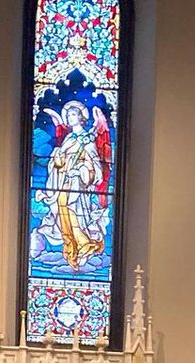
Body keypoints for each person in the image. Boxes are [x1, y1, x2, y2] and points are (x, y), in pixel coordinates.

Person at [34, 101, 111, 270]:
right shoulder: (69, 139)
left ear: (82, 118)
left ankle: (85, 246)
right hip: (63, 183)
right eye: (68, 115)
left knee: (77, 215)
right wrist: (57, 159)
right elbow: (58, 163)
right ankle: (70, 249)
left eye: (74, 114)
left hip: (78, 187)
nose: (70, 117)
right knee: (63, 216)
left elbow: (95, 166)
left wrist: (81, 170)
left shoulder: (87, 140)